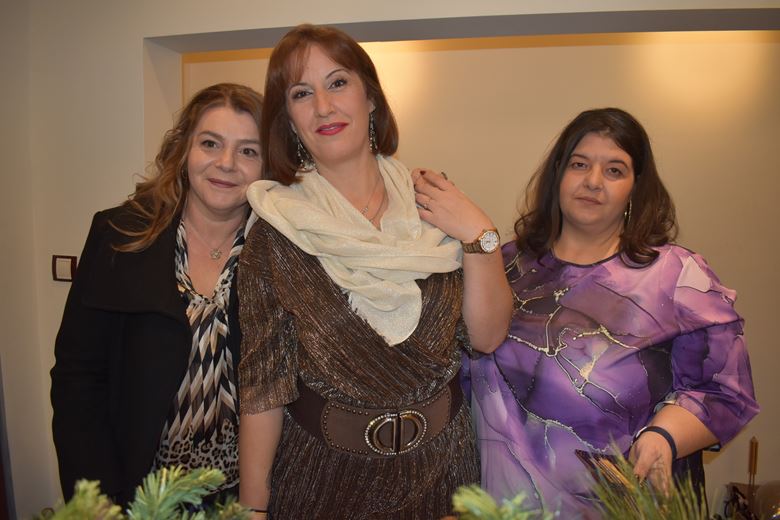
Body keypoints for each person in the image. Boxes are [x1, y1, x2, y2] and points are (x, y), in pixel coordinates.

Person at [237, 24, 513, 519]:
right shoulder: (275, 233)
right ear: (289, 119)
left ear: (370, 98)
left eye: (338, 83)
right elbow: (263, 388)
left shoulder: (436, 202)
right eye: (301, 93)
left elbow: (487, 337)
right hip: (322, 481)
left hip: (444, 474)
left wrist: (481, 233)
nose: (324, 106)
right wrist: (253, 510)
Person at [464, 107, 759, 517]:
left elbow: (726, 392)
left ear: (636, 187)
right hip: (497, 506)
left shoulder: (675, 275)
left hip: (618, 506)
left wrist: (664, 437)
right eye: (579, 164)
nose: (593, 181)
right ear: (557, 175)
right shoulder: (499, 265)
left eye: (614, 170)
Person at [50, 83, 264, 505]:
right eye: (210, 143)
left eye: (248, 151)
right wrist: (96, 499)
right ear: (184, 150)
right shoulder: (120, 236)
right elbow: (78, 379)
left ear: (267, 165)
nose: (226, 163)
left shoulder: (280, 253)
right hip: (137, 495)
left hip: (243, 498)